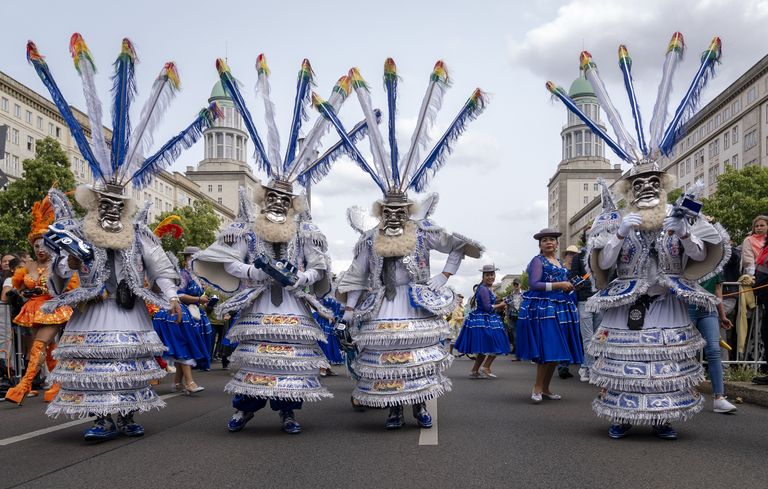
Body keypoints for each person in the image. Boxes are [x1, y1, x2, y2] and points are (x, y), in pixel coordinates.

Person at [29, 34, 218, 440]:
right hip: (93, 307)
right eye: (106, 203)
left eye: (119, 205)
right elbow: (60, 270)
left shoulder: (139, 233)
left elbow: (160, 266)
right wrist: (70, 264)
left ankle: (129, 414)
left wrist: (171, 295)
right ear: (95, 203)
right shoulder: (78, 230)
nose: (112, 210)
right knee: (96, 364)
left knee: (131, 363)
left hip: (131, 307)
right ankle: (101, 418)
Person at [548, 35, 728, 439]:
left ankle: (662, 418)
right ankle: (622, 416)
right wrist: (619, 234)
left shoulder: (679, 215)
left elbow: (698, 255)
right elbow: (604, 265)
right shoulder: (616, 220)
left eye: (653, 184)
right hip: (627, 303)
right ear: (630, 189)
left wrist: (684, 231)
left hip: (666, 303)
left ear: (663, 187)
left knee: (663, 363)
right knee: (625, 363)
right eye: (639, 184)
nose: (647, 189)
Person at [191, 56, 357, 435]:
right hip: (258, 303)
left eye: (285, 199)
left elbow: (319, 264)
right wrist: (253, 271)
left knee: (291, 360)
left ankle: (288, 411)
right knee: (256, 359)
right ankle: (245, 409)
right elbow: (228, 260)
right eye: (273, 198)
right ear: (264, 199)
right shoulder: (248, 228)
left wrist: (303, 278)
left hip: (293, 304)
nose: (278, 203)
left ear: (293, 203)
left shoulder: (303, 231)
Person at [336, 60, 486, 429]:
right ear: (380, 210)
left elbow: (459, 244)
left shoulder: (422, 231)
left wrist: (444, 276)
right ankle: (393, 409)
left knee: (417, 355)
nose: (393, 215)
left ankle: (419, 407)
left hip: (416, 301)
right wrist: (350, 309)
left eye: (399, 210)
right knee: (386, 356)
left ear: (408, 210)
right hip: (382, 302)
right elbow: (357, 274)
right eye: (388, 210)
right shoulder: (370, 238)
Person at [2, 197, 77, 405]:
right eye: (36, 246)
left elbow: (68, 287)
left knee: (38, 345)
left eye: (44, 245)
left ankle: (23, 386)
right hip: (34, 309)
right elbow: (19, 285)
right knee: (48, 347)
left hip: (53, 309)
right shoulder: (29, 266)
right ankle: (58, 384)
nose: (40, 249)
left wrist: (48, 289)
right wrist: (24, 291)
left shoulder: (59, 264)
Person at [516, 229, 583, 403]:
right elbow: (534, 284)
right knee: (547, 347)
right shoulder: (538, 261)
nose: (549, 242)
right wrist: (559, 285)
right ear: (540, 245)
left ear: (557, 243)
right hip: (544, 309)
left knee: (556, 350)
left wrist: (570, 287)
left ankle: (545, 389)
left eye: (552, 239)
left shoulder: (559, 262)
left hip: (561, 307)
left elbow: (562, 285)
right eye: (544, 240)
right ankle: (537, 387)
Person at [153, 246, 211, 394]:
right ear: (185, 260)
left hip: (188, 313)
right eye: (191, 258)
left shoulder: (196, 276)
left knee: (184, 345)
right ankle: (189, 383)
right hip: (174, 314)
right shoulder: (182, 275)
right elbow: (177, 295)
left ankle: (177, 383)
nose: (194, 261)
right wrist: (198, 299)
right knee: (184, 345)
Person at [690, 272, 737, 413]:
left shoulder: (716, 263)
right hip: (686, 307)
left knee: (714, 350)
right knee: (687, 351)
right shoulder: (686, 260)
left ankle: (719, 397)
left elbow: (717, 291)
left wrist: (722, 316)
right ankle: (685, 391)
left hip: (709, 310)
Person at [455, 265, 510, 378]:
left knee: (484, 347)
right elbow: (487, 308)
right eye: (487, 275)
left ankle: (475, 370)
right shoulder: (484, 289)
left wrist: (499, 302)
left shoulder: (485, 288)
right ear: (483, 277)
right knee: (497, 342)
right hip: (484, 320)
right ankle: (486, 367)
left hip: (484, 320)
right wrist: (501, 305)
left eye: (492, 275)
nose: (490, 277)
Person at [569, 240, 602, 383]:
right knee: (588, 337)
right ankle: (589, 368)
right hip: (584, 301)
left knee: (598, 337)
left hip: (600, 300)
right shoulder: (578, 257)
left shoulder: (603, 253)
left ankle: (587, 366)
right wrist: (587, 285)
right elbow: (572, 277)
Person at [557, 245, 581, 379]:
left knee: (575, 336)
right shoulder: (561, 271)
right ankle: (563, 366)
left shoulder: (580, 272)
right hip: (563, 307)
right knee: (564, 336)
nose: (572, 257)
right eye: (570, 254)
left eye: (575, 255)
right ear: (565, 256)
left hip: (577, 306)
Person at [504, 279, 523, 359]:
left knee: (521, 334)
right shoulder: (510, 295)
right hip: (512, 316)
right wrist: (507, 317)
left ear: (520, 284)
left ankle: (520, 351)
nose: (515, 286)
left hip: (522, 316)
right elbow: (507, 306)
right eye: (514, 284)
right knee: (515, 334)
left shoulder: (524, 294)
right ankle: (518, 352)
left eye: (517, 284)